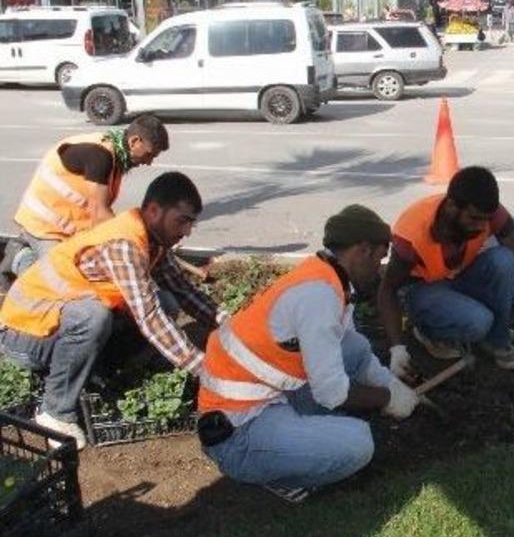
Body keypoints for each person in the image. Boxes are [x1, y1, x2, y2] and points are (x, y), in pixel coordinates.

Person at [198, 205, 418, 503]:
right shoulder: (319, 297)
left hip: (269, 396)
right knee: (358, 444)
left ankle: (294, 438)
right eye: (380, 258)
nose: (379, 269)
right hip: (238, 433)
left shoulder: (325, 275)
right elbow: (332, 392)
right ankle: (278, 475)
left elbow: (354, 353)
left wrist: (390, 384)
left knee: (354, 347)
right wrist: (388, 399)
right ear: (363, 250)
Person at [0, 172, 222, 449]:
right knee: (94, 317)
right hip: (23, 333)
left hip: (57, 325)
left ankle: (96, 372)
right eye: (183, 220)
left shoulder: (153, 241)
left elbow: (184, 291)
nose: (187, 231)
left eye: (191, 223)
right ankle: (55, 411)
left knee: (167, 301)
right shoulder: (123, 244)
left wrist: (229, 324)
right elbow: (149, 317)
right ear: (154, 210)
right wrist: (203, 368)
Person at [377, 166, 514, 374]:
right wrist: (397, 349)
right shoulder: (412, 234)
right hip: (425, 294)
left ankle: (497, 341)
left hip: (460, 277)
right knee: (479, 321)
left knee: (504, 261)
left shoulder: (490, 215)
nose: (482, 226)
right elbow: (387, 290)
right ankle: (430, 334)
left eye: (486, 218)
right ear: (451, 206)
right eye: (475, 218)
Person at [1, 115, 169, 278]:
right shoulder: (100, 156)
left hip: (68, 231)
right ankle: (20, 257)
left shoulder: (114, 154)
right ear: (134, 141)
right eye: (149, 154)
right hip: (43, 228)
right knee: (56, 283)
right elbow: (100, 214)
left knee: (86, 274)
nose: (149, 162)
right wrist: (136, 242)